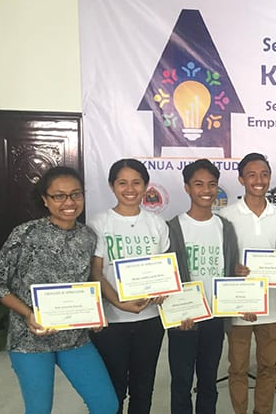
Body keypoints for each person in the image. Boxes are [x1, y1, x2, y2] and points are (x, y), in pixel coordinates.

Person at [0, 166, 118, 413]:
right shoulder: (26, 234)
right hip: (30, 339)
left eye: (75, 194)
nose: (69, 202)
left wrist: (95, 313)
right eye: (59, 196)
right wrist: (28, 314)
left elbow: (88, 280)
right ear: (45, 200)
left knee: (106, 404)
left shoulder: (88, 236)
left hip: (75, 337)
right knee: (39, 410)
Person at [88, 159, 170, 414]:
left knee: (143, 388)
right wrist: (118, 302)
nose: (130, 189)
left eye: (136, 182)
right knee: (113, 389)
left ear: (146, 186)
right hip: (112, 321)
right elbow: (95, 272)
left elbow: (166, 270)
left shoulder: (157, 223)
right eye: (122, 182)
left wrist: (162, 290)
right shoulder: (99, 223)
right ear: (112, 186)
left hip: (150, 320)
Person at [166, 159, 240, 414]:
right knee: (182, 381)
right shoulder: (172, 228)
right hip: (183, 317)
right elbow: (166, 275)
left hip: (214, 318)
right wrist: (176, 314)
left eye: (211, 184)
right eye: (198, 184)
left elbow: (231, 270)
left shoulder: (225, 227)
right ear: (187, 188)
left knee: (208, 381)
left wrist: (242, 291)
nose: (206, 190)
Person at [219, 152, 276, 414]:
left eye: (264, 174)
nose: (259, 180)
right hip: (239, 305)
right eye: (252, 175)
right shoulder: (227, 215)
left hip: (273, 307)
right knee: (237, 368)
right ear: (241, 179)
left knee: (269, 368)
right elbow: (223, 258)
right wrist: (232, 268)